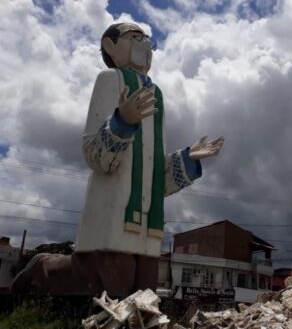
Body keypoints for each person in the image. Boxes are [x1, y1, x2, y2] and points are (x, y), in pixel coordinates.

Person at [11, 22, 224, 296]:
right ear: (110, 47)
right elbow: (94, 155)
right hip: (110, 218)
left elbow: (153, 178)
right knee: (114, 286)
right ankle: (44, 268)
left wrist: (188, 159)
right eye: (134, 37)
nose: (145, 44)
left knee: (146, 296)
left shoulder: (156, 94)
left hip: (148, 226)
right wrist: (122, 122)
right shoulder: (109, 80)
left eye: (148, 40)